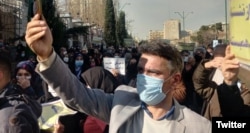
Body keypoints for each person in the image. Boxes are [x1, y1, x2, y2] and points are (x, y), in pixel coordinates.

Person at [25, 14, 211, 133]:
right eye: (140, 71)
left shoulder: (200, 126)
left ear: (175, 79)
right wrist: (47, 54)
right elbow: (76, 94)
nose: (143, 78)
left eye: (152, 72)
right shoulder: (121, 103)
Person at [193, 45, 250, 120]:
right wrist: (205, 66)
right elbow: (199, 83)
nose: (218, 63)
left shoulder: (245, 87)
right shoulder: (216, 88)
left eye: (223, 57)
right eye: (215, 59)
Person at [0, 52, 42, 133]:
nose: (23, 78)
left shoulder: (15, 114)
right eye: (19, 74)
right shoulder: (12, 92)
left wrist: (29, 90)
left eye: (26, 74)